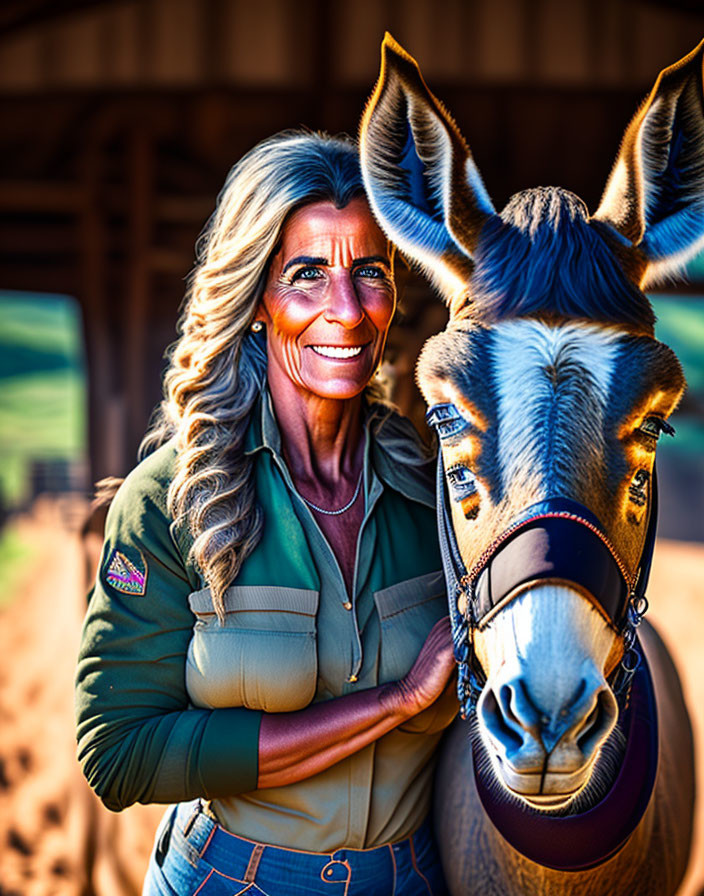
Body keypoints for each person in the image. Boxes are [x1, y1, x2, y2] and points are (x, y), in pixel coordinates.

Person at [75, 130, 457, 896]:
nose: (345, 311)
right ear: (255, 301)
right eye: (306, 275)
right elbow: (117, 753)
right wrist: (397, 702)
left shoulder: (444, 502)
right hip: (230, 880)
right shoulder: (171, 499)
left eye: (370, 274)